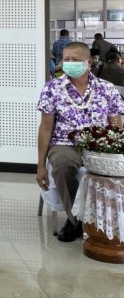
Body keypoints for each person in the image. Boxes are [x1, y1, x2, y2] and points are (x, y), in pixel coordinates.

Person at [36, 41, 124, 242]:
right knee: (62, 165)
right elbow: (46, 128)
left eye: (75, 60)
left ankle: (109, 221)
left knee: (113, 170)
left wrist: (114, 150)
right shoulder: (52, 89)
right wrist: (40, 165)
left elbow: (116, 127)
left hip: (98, 144)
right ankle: (76, 220)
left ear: (88, 62)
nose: (69, 63)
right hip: (64, 143)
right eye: (66, 59)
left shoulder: (106, 89)